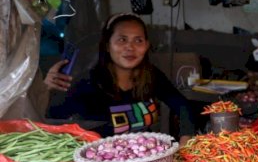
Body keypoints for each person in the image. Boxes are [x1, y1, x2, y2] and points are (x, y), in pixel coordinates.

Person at [45, 13, 195, 144]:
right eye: (122, 40)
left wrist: (185, 140)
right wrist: (45, 90)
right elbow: (50, 121)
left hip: (147, 158)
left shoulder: (150, 75)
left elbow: (182, 106)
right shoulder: (88, 83)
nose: (130, 47)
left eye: (138, 41)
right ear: (107, 45)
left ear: (147, 46)